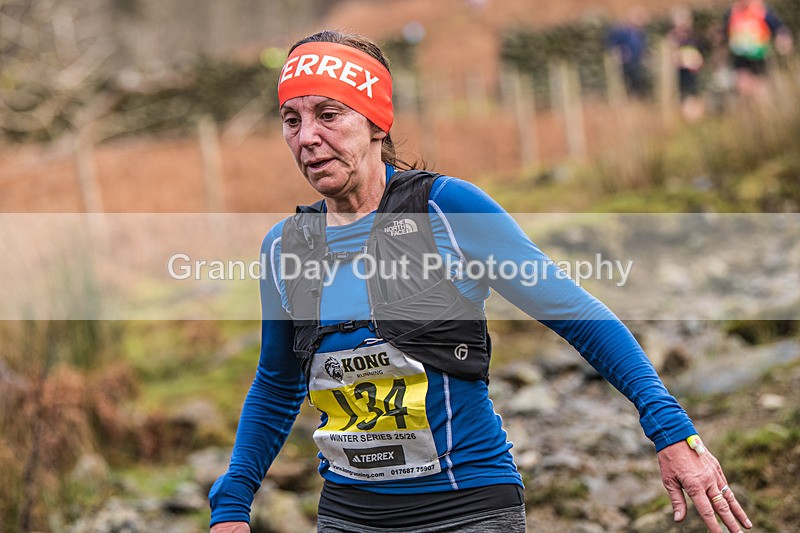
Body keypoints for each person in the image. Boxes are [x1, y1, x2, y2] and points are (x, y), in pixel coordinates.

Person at [208, 30, 752, 533]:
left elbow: (577, 314)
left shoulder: (447, 210)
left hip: (466, 507)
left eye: (328, 114)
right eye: (291, 120)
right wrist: (233, 500)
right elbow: (277, 384)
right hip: (348, 516)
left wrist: (672, 430)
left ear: (377, 121)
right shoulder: (284, 248)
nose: (308, 138)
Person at [724, 0, 793, 96]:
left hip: (759, 55)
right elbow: (725, 31)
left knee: (760, 89)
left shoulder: (762, 11)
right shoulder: (732, 12)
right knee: (743, 87)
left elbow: (779, 28)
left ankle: (762, 109)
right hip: (740, 56)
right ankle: (748, 108)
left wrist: (783, 39)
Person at [667, 6, 707, 122]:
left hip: (693, 72)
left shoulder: (693, 36)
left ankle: (697, 119)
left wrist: (696, 61)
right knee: (684, 96)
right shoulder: (672, 38)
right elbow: (671, 56)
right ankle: (689, 119)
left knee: (694, 95)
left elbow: (699, 55)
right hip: (680, 73)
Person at [605, 7, 651, 99]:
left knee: (637, 85)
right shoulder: (622, 31)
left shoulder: (641, 33)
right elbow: (611, 44)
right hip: (624, 64)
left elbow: (643, 47)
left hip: (637, 63)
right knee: (624, 85)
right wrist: (620, 52)